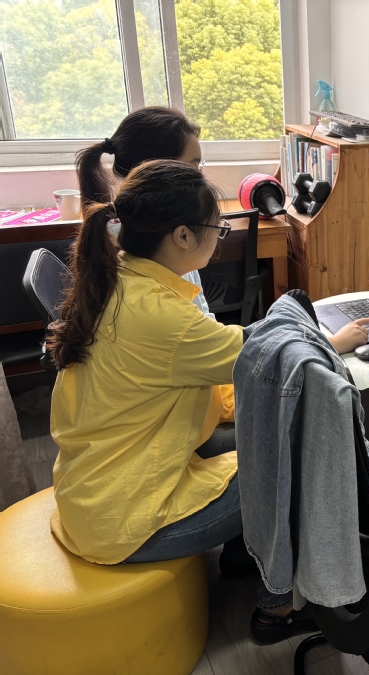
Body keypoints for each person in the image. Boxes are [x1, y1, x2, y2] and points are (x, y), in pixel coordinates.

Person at [47, 160, 309, 644]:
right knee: (293, 461)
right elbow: (262, 358)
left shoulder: (117, 277)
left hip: (94, 489)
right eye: (218, 228)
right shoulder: (162, 316)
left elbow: (230, 355)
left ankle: (242, 555)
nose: (221, 237)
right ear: (183, 236)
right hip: (124, 521)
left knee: (249, 434)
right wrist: (332, 339)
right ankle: (279, 609)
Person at [73, 106, 369, 351]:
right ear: (162, 169)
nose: (200, 176)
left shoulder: (130, 236)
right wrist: (329, 344)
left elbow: (203, 323)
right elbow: (210, 339)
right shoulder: (156, 255)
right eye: (193, 165)